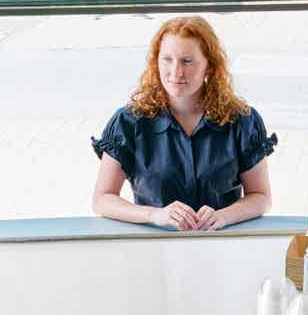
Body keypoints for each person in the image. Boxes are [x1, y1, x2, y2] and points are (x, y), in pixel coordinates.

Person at [91, 15, 276, 231]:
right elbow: (102, 199)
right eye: (167, 59)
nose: (176, 72)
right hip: (153, 247)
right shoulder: (129, 121)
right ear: (156, 62)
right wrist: (155, 215)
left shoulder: (242, 120)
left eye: (187, 61)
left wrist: (223, 216)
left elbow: (261, 197)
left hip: (221, 243)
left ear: (209, 65)